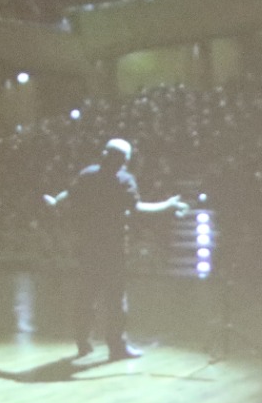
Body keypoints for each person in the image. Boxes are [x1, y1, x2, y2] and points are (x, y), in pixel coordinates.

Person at [46, 138, 189, 360]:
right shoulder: (124, 180)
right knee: (115, 298)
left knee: (86, 295)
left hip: (88, 245)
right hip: (113, 247)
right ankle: (117, 346)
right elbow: (137, 208)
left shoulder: (88, 174)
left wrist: (55, 202)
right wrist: (167, 206)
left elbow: (69, 193)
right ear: (124, 160)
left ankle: (82, 342)